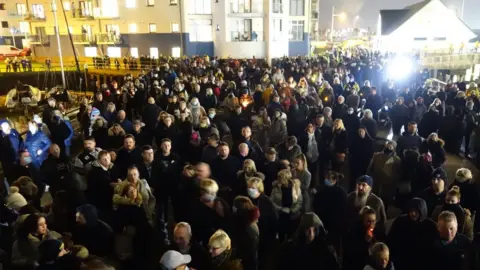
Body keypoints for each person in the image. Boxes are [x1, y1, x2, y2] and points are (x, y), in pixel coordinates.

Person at [275, 212, 339, 270]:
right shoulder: (290, 248)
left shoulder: (326, 250)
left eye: (314, 229)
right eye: (307, 229)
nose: (310, 233)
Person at [387, 198, 437, 270]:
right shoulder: (400, 221)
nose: (413, 213)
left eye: (416, 211)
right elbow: (390, 240)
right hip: (401, 262)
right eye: (411, 210)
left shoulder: (430, 226)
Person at [187, 179, 230, 246]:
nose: (213, 195)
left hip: (220, 239)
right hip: (203, 240)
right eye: (204, 192)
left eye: (213, 193)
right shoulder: (195, 205)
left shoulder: (221, 203)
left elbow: (227, 221)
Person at [270, 169, 303, 241]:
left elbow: (299, 202)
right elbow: (271, 201)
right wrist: (280, 209)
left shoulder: (296, 188)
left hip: (293, 216)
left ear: (286, 178)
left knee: (291, 236)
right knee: (281, 234)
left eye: (280, 177)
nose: (278, 179)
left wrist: (292, 210)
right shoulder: (276, 188)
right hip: (280, 215)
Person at [86, 151, 119, 221]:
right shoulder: (94, 172)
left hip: (111, 199)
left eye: (108, 158)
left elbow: (116, 177)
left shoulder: (112, 168)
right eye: (104, 159)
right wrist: (111, 184)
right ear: (99, 160)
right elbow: (97, 186)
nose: (107, 160)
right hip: (99, 200)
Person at [367, 141, 401, 208]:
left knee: (385, 203)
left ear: (394, 148)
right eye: (388, 145)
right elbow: (370, 169)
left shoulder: (397, 159)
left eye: (391, 146)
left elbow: (398, 173)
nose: (389, 147)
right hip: (376, 182)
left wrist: (393, 181)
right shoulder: (376, 155)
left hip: (388, 186)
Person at [230, 196, 260, 270]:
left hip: (246, 261)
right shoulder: (249, 220)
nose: (233, 207)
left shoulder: (246, 227)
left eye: (235, 206)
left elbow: (245, 249)